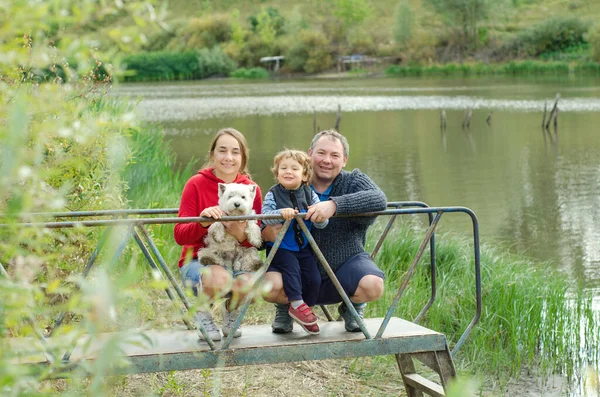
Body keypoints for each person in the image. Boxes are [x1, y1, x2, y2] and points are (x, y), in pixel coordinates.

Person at [262, 129, 387, 334]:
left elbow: (379, 199)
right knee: (270, 286)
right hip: (296, 267)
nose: (327, 160)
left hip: (344, 262)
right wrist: (264, 235)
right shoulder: (292, 178)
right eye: (321, 153)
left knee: (373, 285)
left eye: (335, 155)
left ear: (344, 160)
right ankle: (285, 308)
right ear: (309, 154)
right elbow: (265, 218)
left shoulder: (352, 180)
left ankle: (352, 308)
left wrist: (334, 205)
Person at [174, 128, 262, 341]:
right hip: (199, 260)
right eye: (222, 151)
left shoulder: (251, 189)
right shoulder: (195, 184)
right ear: (212, 154)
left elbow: (255, 240)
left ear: (243, 157)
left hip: (237, 258)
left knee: (251, 282)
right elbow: (180, 236)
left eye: (235, 152)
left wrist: (240, 233)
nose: (228, 158)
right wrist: (203, 223)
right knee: (219, 278)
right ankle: (202, 313)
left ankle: (230, 313)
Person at [262, 149, 330, 335]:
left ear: (305, 174)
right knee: (292, 271)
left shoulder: (310, 194)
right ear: (277, 173)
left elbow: (323, 222)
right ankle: (297, 303)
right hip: (281, 248)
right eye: (283, 168)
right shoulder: (273, 194)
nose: (288, 171)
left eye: (294, 168)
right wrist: (280, 213)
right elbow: (264, 217)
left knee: (314, 278)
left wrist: (318, 217)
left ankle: (303, 309)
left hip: (303, 247)